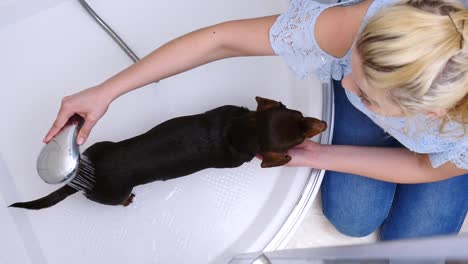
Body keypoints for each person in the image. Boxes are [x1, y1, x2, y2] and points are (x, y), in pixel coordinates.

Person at [43, 0, 467, 240]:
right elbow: (224, 41)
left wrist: (323, 156)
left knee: (408, 245)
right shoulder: (365, 27)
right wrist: (108, 90)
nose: (346, 86)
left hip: (447, 147)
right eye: (348, 69)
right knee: (353, 220)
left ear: (433, 112)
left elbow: (424, 165)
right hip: (421, 114)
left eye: (364, 95)